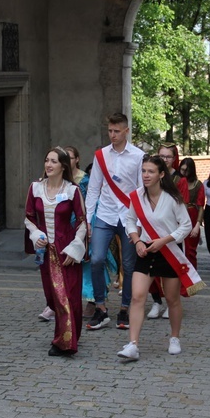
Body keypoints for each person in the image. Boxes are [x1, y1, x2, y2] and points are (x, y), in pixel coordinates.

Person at [118, 155, 203, 361]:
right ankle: (133, 344)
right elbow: (129, 220)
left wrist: (164, 240)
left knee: (172, 299)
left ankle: (174, 338)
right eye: (144, 171)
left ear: (161, 174)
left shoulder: (173, 199)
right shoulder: (136, 196)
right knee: (138, 296)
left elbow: (185, 225)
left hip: (169, 252)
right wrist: (137, 240)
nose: (146, 175)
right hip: (146, 250)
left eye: (151, 172)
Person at [24, 147, 87, 356]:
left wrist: (76, 247)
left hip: (66, 250)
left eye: (53, 161)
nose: (48, 165)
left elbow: (82, 222)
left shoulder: (72, 190)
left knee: (67, 296)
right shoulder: (35, 188)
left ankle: (64, 342)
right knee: (53, 297)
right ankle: (68, 334)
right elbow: (29, 218)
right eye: (46, 160)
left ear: (63, 166)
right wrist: (35, 234)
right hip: (46, 251)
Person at [84, 113, 143, 330]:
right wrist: (88, 219)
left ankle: (125, 309)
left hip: (128, 216)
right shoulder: (101, 156)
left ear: (126, 131)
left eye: (116, 131)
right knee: (97, 259)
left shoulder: (138, 156)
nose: (112, 135)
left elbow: (140, 191)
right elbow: (93, 188)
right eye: (110, 131)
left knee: (128, 265)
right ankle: (100, 308)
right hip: (105, 214)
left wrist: (140, 224)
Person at [148, 144, 189, 319]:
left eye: (168, 157)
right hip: (151, 231)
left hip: (171, 233)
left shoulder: (180, 180)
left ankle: (171, 303)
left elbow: (183, 207)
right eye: (162, 156)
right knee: (151, 271)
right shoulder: (150, 176)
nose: (165, 159)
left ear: (174, 159)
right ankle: (156, 301)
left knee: (171, 269)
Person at [179, 157, 204, 269]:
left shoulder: (198, 184)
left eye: (186, 170)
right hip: (178, 215)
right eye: (182, 170)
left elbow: (200, 206)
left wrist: (197, 225)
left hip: (192, 215)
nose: (184, 173)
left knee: (191, 250)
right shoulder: (177, 181)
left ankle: (192, 277)